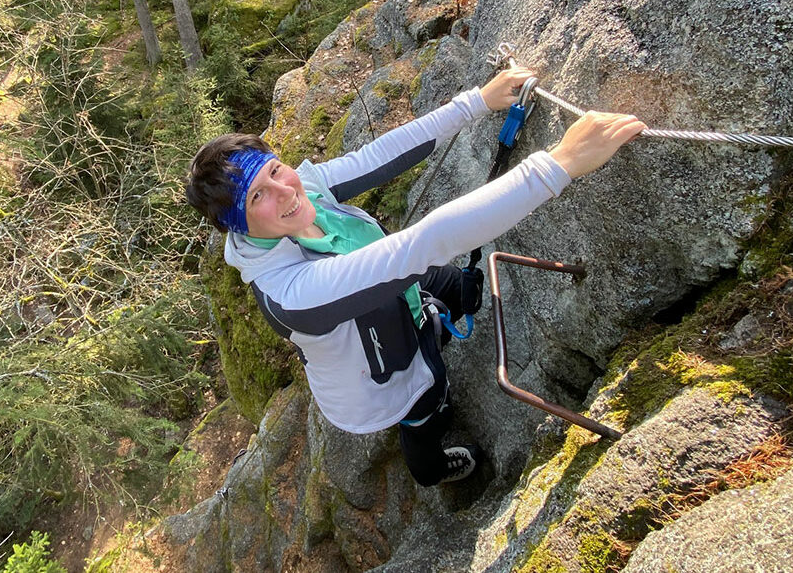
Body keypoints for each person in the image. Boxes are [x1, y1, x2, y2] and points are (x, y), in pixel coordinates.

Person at [185, 67, 646, 486]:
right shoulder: (290, 295)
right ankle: (431, 470)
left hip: (398, 298)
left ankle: (444, 323)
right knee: (426, 411)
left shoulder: (307, 189)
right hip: (380, 381)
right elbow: (419, 245)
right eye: (258, 196)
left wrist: (478, 101)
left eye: (275, 170)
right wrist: (558, 164)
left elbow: (382, 153)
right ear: (237, 225)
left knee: (453, 286)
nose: (286, 190)